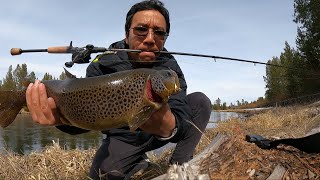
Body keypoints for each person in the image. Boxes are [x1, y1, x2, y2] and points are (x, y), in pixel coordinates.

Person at [26, 0, 212, 179]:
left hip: (159, 135)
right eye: (141, 30)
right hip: (125, 138)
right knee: (103, 175)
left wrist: (171, 127)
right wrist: (60, 119)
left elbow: (181, 111)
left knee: (200, 102)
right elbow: (87, 118)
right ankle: (137, 161)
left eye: (159, 33)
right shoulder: (103, 65)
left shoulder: (169, 68)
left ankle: (179, 165)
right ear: (127, 34)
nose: (149, 39)